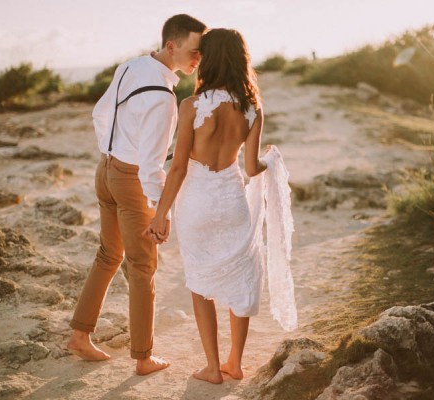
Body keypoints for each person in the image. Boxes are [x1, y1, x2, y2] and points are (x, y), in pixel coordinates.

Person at [145, 28, 297, 384]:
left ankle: (212, 368)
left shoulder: (191, 106)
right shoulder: (252, 109)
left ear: (208, 60)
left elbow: (178, 167)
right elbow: (250, 168)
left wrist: (160, 214)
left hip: (196, 202)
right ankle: (235, 363)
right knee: (241, 280)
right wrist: (271, 162)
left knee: (200, 283)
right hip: (231, 202)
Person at [66, 14, 206, 376]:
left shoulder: (130, 66)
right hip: (130, 180)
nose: (198, 60)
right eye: (194, 52)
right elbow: (151, 166)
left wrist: (112, 149)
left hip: (106, 169)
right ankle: (144, 358)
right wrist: (163, 213)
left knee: (109, 253)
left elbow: (100, 112)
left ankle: (80, 337)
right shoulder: (164, 98)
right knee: (143, 267)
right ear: (172, 46)